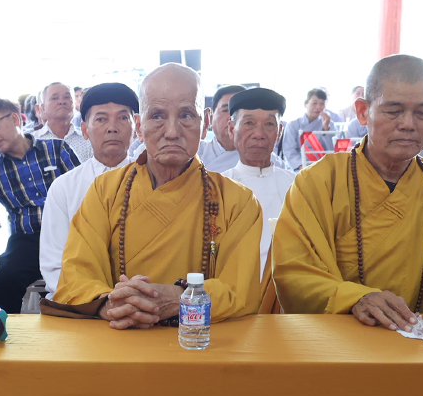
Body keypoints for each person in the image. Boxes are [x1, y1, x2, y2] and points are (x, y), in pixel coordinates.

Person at [273, 56, 423, 329]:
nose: (408, 124)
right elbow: (294, 273)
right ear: (362, 112)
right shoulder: (319, 181)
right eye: (393, 111)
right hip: (341, 338)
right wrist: (354, 298)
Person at [49, 65, 263, 325]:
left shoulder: (238, 202)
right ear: (139, 125)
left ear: (205, 122)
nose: (172, 132)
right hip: (118, 334)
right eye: (158, 116)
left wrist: (181, 299)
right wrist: (110, 304)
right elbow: (75, 278)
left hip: (200, 341)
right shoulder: (104, 191)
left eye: (186, 115)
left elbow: (241, 293)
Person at [0, 97, 80, 313]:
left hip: (69, 234)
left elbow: (82, 193)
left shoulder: (57, 150)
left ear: (15, 119)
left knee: (84, 276)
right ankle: (0, 327)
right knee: (5, 279)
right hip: (26, 239)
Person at [39, 83, 138, 297]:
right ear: (85, 130)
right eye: (101, 119)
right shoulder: (64, 187)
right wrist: (97, 300)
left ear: (137, 126)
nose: (112, 128)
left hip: (141, 297)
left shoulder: (153, 181)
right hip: (83, 301)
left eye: (122, 118)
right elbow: (54, 264)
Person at [222, 88, 294, 274]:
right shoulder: (219, 187)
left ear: (279, 132)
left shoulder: (297, 186)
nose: (259, 134)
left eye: (269, 124)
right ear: (231, 129)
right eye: (249, 123)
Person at [33, 81, 92, 162]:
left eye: (67, 97)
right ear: (42, 108)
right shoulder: (34, 141)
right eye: (55, 98)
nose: (62, 101)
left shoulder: (88, 138)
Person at [281, 88, 333, 169]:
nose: (318, 107)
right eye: (314, 103)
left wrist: (326, 130)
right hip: (300, 167)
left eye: (322, 104)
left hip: (323, 166)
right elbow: (289, 150)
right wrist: (301, 166)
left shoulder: (329, 124)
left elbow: (332, 150)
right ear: (305, 104)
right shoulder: (293, 125)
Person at [198, 85, 246, 173]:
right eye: (225, 110)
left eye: (239, 111)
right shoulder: (193, 153)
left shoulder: (265, 158)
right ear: (210, 119)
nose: (232, 117)